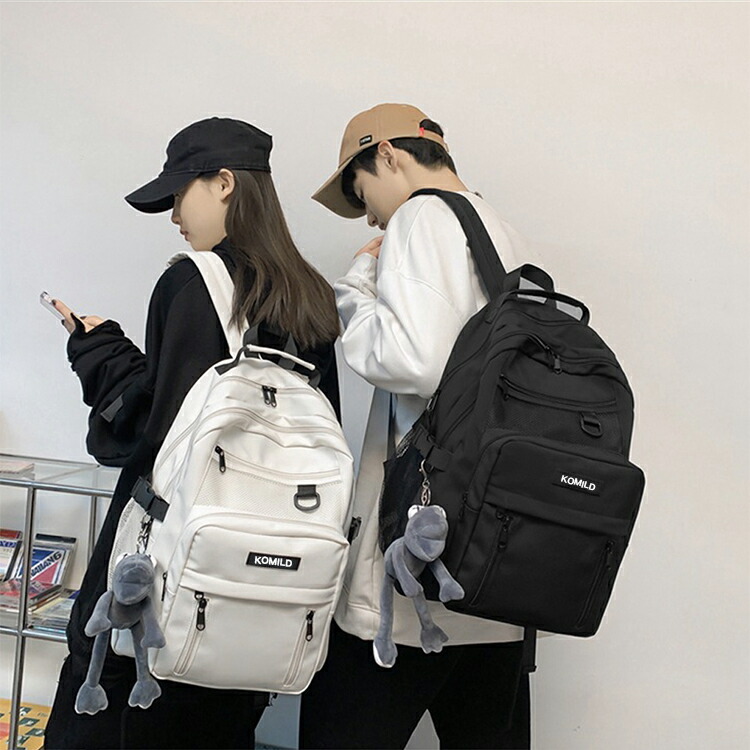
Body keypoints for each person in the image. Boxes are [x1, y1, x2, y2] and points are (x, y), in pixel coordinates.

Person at [45, 117, 342, 750]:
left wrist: (98, 351)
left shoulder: (192, 283)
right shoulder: (311, 296)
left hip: (161, 597)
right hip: (260, 605)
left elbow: (150, 439)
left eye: (180, 194)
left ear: (225, 183)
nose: (175, 214)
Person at [299, 103, 531, 749]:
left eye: (360, 192)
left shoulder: (422, 217)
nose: (370, 216)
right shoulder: (502, 231)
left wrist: (356, 284)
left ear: (388, 155)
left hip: (413, 574)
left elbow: (417, 363)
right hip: (496, 574)